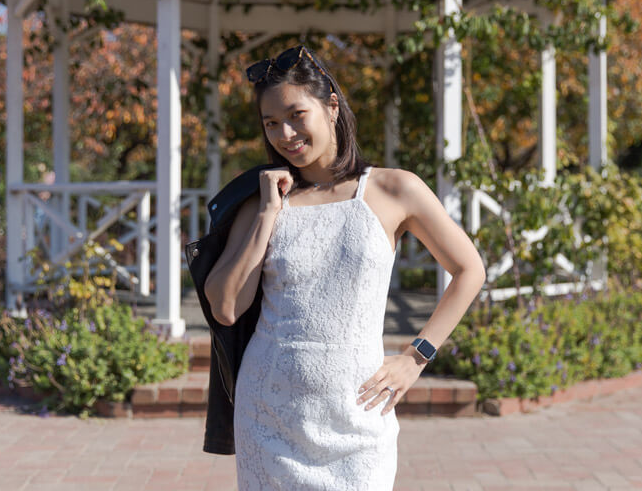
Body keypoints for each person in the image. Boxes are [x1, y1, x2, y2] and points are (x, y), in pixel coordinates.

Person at [204, 45, 486, 490]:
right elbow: (225, 306)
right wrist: (267, 215)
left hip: (359, 416)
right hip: (269, 414)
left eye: (297, 115)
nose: (286, 134)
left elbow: (470, 269)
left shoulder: (395, 189)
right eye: (271, 124)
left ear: (332, 105)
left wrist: (417, 357)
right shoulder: (261, 201)